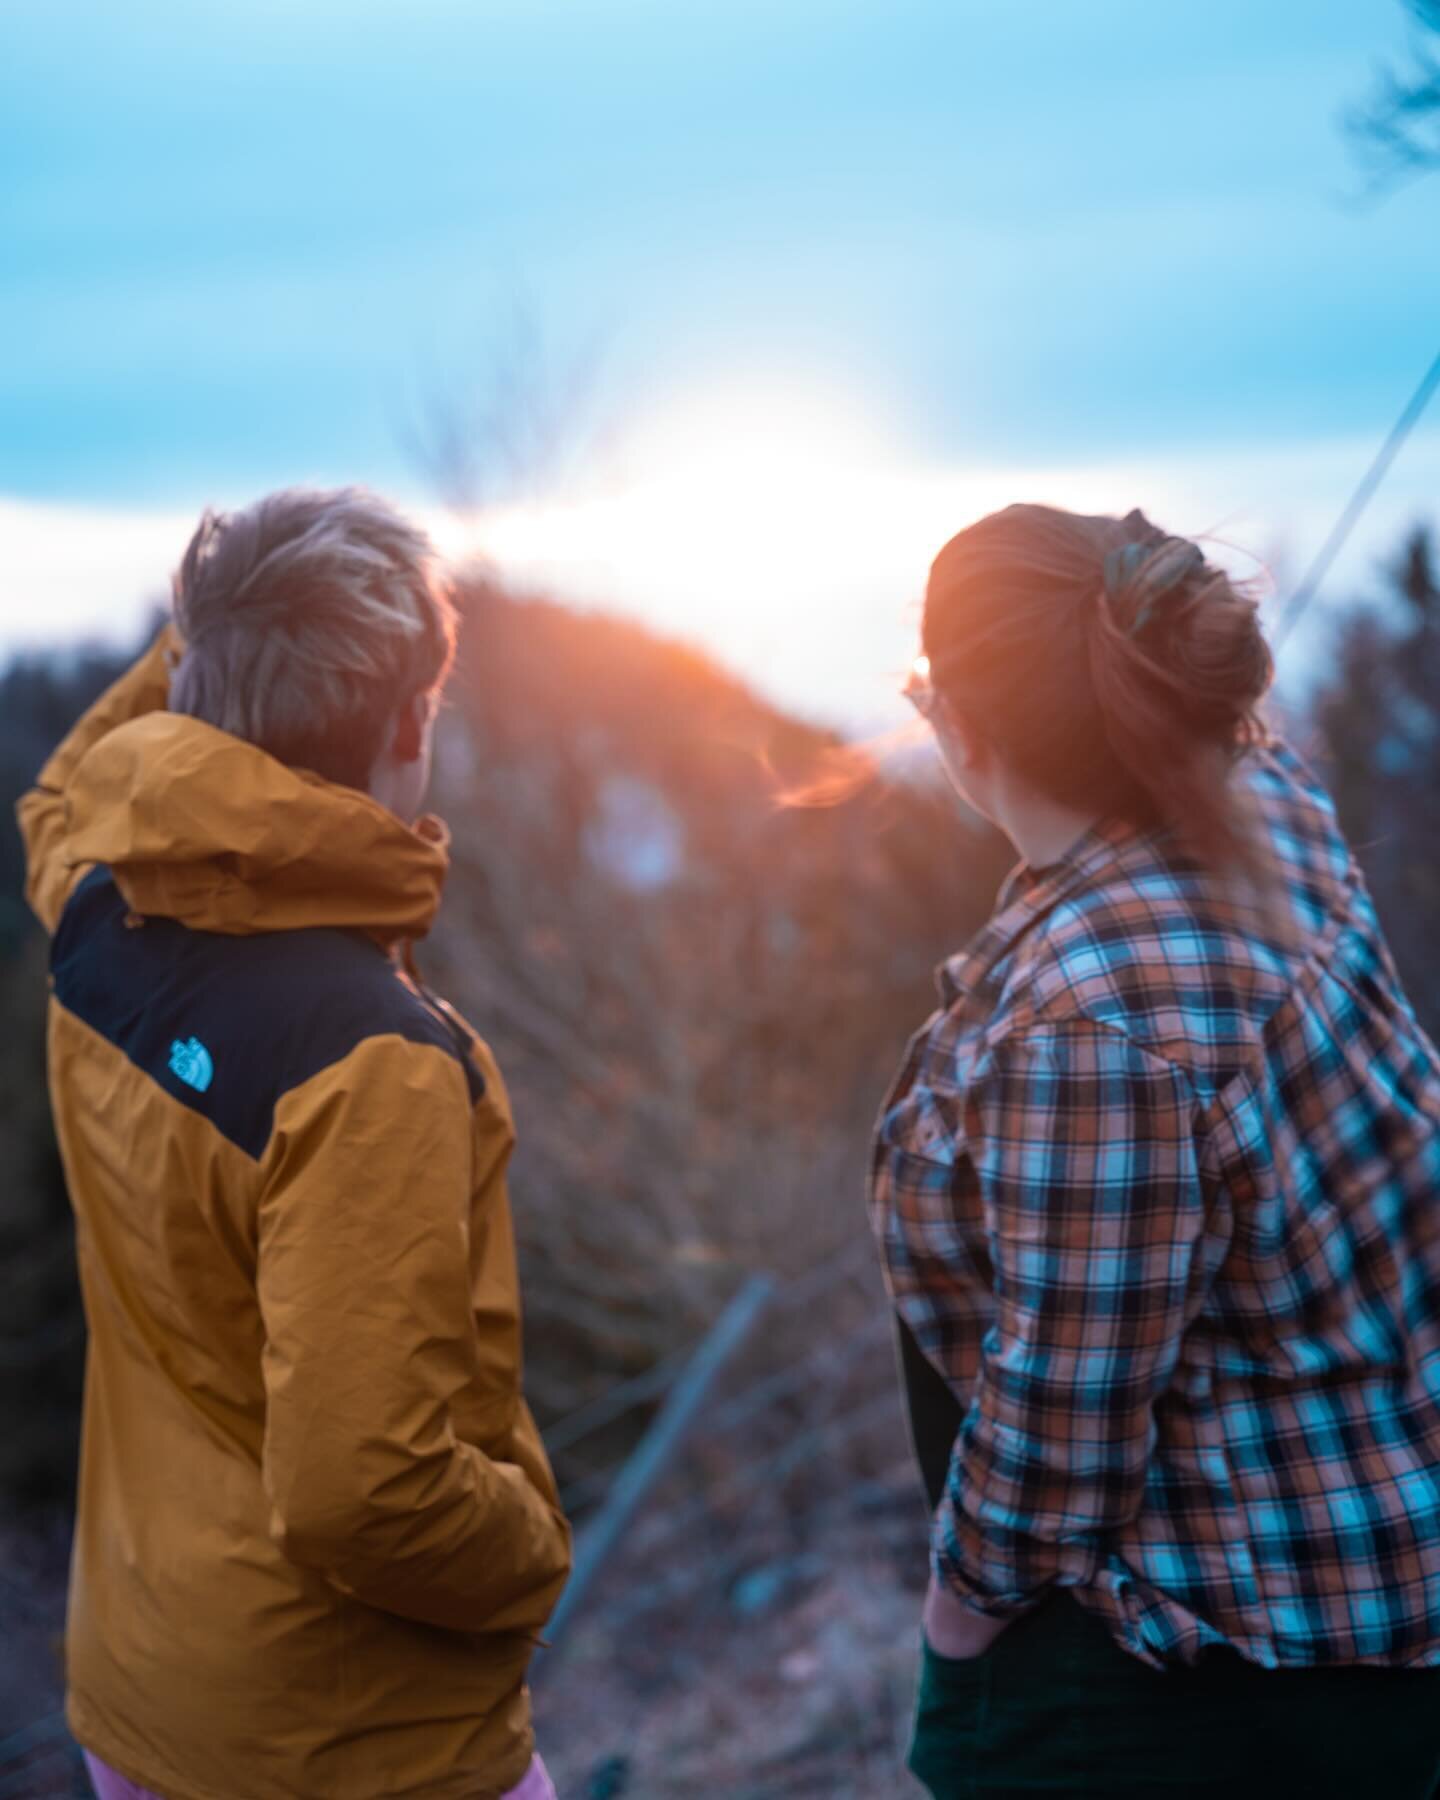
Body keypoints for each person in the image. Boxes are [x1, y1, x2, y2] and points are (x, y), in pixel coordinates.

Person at [871, 503, 1440, 1798]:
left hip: (1243, 1626)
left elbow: (1067, 1412)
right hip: (1387, 1522)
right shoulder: (1271, 797)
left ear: (959, 726)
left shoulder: (1091, 1016)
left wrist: (957, 1628)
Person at [17, 488, 571, 1800]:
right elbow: (362, 1491)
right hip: (348, 1743)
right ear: (408, 721)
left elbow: (62, 798)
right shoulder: (367, 1059)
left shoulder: (95, 910)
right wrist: (532, 1551)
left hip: (141, 1691)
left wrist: (221, 632)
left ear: (195, 687)